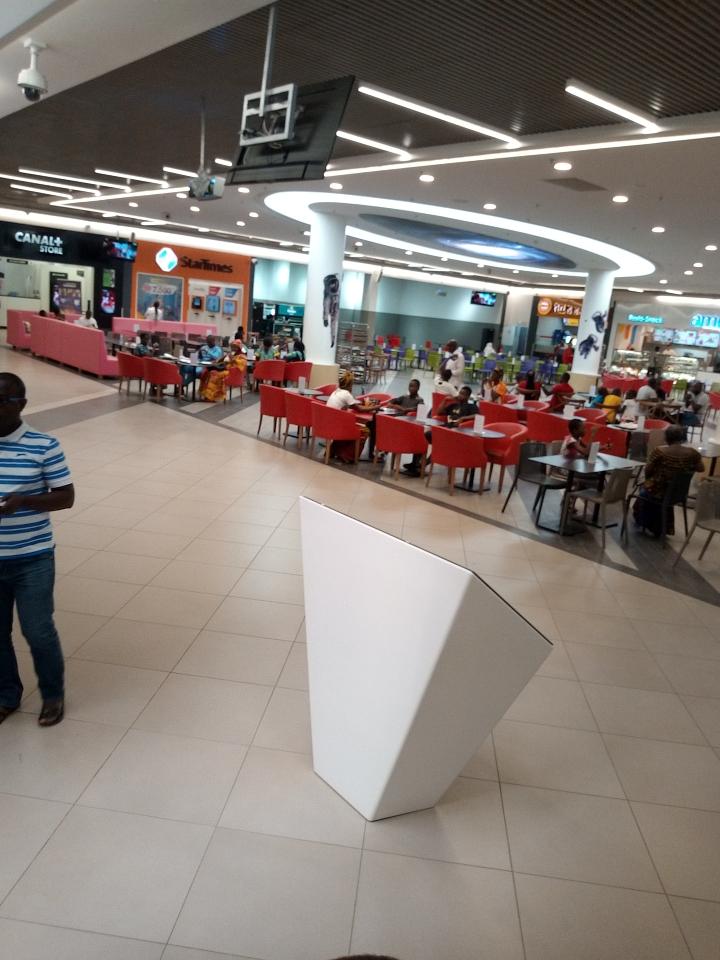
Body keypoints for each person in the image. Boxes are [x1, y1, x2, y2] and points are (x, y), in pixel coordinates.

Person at [0, 373, 74, 727]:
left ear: (22, 405)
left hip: (32, 556)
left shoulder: (44, 445)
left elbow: (66, 496)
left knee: (38, 630)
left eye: (2, 402)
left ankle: (52, 695)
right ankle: (6, 695)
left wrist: (24, 501)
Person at [633, 424, 704, 536]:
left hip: (658, 492)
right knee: (657, 490)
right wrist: (684, 468)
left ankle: (646, 522)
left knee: (645, 489)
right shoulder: (693, 453)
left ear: (667, 437)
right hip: (679, 493)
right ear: (682, 437)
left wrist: (649, 480)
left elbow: (648, 470)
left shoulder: (659, 451)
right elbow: (701, 468)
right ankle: (659, 526)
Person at [404, 387, 478, 477]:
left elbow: (477, 415)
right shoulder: (453, 405)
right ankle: (415, 463)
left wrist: (462, 418)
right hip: (444, 430)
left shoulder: (471, 406)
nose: (460, 396)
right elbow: (439, 412)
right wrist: (445, 400)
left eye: (463, 394)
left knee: (440, 443)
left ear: (467, 396)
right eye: (460, 393)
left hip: (455, 434)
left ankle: (421, 466)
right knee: (423, 436)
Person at [325, 371, 377, 462]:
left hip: (328, 423)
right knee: (365, 431)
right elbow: (360, 409)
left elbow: (350, 405)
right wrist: (376, 407)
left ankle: (334, 451)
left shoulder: (336, 391)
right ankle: (348, 455)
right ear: (350, 385)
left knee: (351, 425)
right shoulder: (346, 394)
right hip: (337, 426)